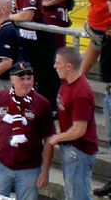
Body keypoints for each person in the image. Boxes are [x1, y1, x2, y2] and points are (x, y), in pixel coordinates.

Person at [0, 61, 54, 199]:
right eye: (21, 79)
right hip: (1, 165)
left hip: (30, 168)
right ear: (12, 79)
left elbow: (48, 139)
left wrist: (45, 171)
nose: (26, 83)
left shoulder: (41, 104)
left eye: (29, 78)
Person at [45, 47, 98, 200]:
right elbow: (64, 114)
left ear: (69, 66)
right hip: (70, 149)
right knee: (71, 193)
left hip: (78, 151)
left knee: (77, 195)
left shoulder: (80, 92)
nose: (54, 66)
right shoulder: (65, 82)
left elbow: (79, 130)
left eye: (58, 63)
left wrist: (56, 138)